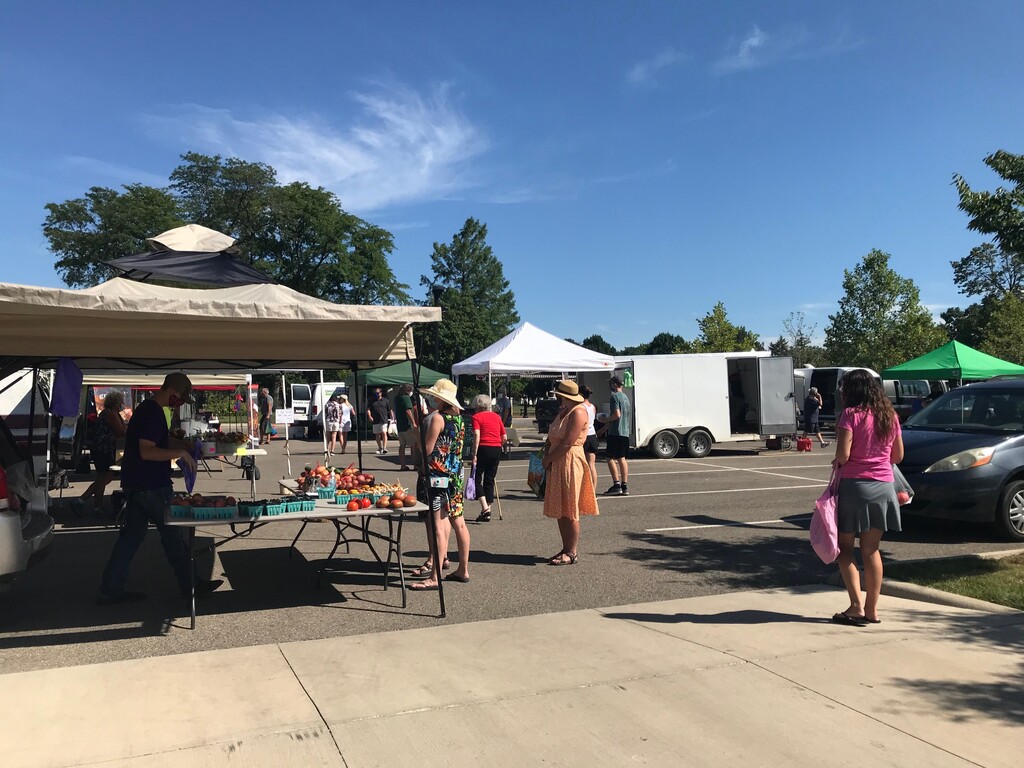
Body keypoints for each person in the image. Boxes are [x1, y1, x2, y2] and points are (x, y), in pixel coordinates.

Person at [97, 373, 221, 605]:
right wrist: (181, 452)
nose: (180, 403)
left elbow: (159, 442)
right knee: (173, 537)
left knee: (130, 539)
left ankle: (110, 589)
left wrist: (186, 445)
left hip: (137, 484)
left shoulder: (149, 409)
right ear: (172, 391)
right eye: (180, 398)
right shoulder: (152, 412)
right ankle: (191, 585)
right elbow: (147, 451)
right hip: (152, 485)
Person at [831, 369, 904, 626]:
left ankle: (856, 606)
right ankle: (872, 610)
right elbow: (898, 456)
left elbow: (843, 455)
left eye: (844, 388)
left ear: (852, 391)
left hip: (855, 486)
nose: (841, 392)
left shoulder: (850, 415)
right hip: (884, 487)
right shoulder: (890, 416)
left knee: (844, 549)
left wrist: (840, 460)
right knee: (872, 550)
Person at [408, 379, 471, 589]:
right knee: (458, 522)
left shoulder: (438, 418)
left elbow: (427, 449)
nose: (433, 399)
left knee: (438, 524)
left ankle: (435, 576)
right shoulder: (460, 418)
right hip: (455, 475)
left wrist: (417, 436)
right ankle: (463, 569)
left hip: (438, 476)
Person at [543, 380, 599, 565]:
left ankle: (572, 551)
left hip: (570, 461)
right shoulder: (565, 411)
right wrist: (547, 455)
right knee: (561, 509)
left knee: (570, 508)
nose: (558, 398)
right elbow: (552, 437)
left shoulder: (578, 412)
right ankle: (565, 548)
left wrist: (548, 459)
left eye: (560, 395)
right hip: (558, 461)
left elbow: (568, 443)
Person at [76, 391, 128, 515]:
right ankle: (94, 505)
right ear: (116, 403)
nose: (123, 404)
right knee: (104, 477)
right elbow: (121, 432)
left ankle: (82, 501)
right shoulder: (111, 414)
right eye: (121, 402)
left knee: (104, 477)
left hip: (102, 449)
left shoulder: (110, 413)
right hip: (103, 449)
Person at [470, 393, 507, 522]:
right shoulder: (497, 417)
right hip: (496, 448)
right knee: (489, 479)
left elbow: (477, 435)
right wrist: (498, 446)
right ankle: (487, 510)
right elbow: (504, 437)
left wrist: (474, 454)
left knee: (476, 478)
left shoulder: (476, 417)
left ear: (478, 406)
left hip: (483, 447)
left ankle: (485, 508)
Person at [597, 376, 631, 496]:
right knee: (622, 458)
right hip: (625, 432)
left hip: (615, 433)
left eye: (611, 383)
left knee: (609, 458)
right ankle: (624, 485)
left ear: (615, 384)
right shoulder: (626, 398)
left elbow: (617, 415)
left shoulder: (615, 397)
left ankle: (616, 484)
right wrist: (603, 429)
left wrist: (605, 420)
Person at [395, 383, 419, 471]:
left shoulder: (397, 398)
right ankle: (416, 465)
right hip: (407, 425)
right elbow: (408, 411)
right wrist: (413, 423)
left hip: (400, 425)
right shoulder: (406, 398)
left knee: (402, 445)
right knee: (414, 444)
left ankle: (403, 465)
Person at [580, 385, 599, 489]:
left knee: (581, 464)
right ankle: (593, 489)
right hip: (592, 435)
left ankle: (583, 488)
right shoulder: (593, 407)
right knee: (591, 464)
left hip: (584, 436)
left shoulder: (580, 407)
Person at [367, 387, 393, 455]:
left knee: (384, 433)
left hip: (384, 419)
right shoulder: (372, 401)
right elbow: (368, 409)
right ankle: (380, 448)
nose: (376, 394)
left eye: (378, 393)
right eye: (375, 393)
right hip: (375, 420)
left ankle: (384, 448)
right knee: (377, 434)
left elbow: (390, 410)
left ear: (381, 393)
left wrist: (392, 418)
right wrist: (369, 416)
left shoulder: (386, 401)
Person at [325, 391, 343, 458]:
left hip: (329, 421)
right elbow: (340, 414)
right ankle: (332, 451)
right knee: (334, 436)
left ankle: (326, 449)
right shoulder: (339, 405)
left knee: (328, 436)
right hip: (336, 421)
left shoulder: (327, 405)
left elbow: (326, 413)